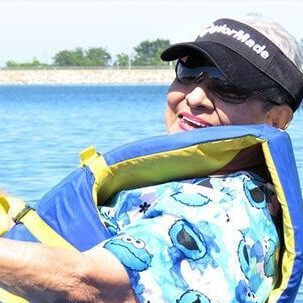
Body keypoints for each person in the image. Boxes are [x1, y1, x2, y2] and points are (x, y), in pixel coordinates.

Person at [0, 15, 303, 303]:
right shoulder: (193, 178)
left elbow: (96, 286)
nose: (195, 98)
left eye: (228, 88)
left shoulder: (222, 211)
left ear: (276, 119)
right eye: (188, 73)